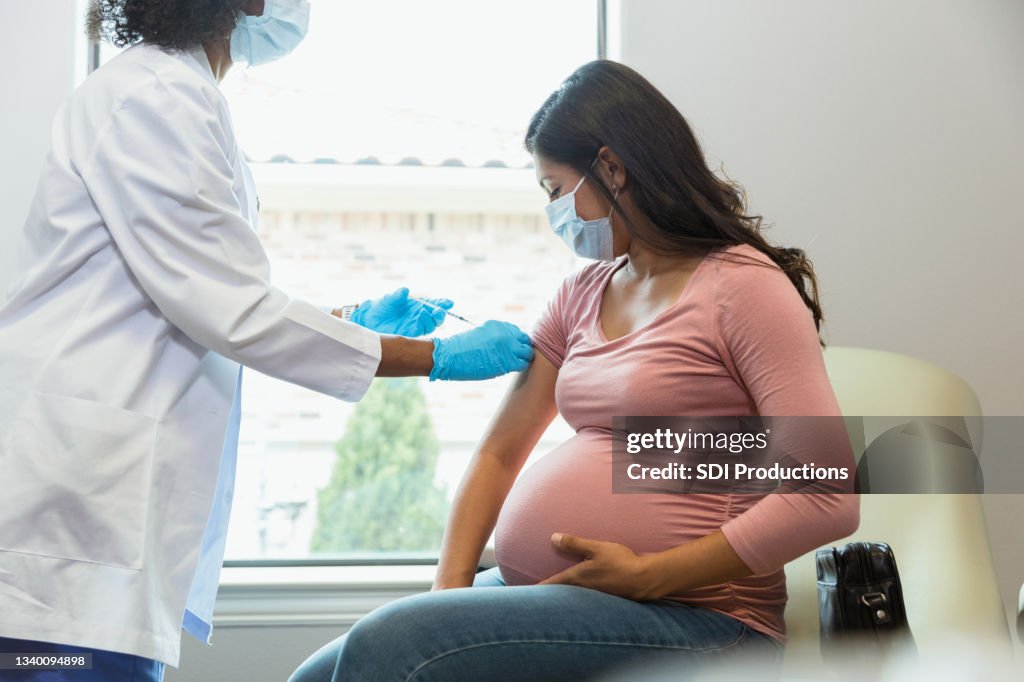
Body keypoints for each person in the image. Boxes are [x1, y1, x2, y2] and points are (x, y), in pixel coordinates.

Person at [0, 1, 532, 680]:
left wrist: (349, 322)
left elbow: (206, 292)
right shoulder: (153, 98)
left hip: (97, 514)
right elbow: (231, 309)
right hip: (69, 527)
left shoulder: (179, 94)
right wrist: (435, 359)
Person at [288, 60, 860, 682]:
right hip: (554, 596)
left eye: (556, 189)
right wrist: (447, 595)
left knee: (390, 645)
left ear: (612, 168)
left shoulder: (742, 288)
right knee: (322, 673)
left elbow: (825, 495)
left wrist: (648, 574)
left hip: (701, 619)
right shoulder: (582, 293)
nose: (553, 212)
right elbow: (498, 456)